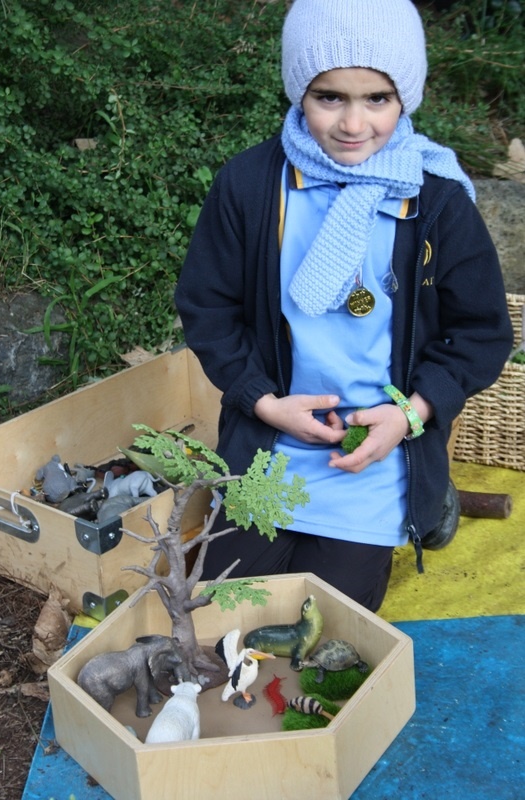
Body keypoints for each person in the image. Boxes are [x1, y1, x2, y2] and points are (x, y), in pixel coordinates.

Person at [175, 0, 513, 612]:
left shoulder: (435, 199)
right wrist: (263, 400)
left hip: (375, 455)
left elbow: (481, 333)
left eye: (377, 99)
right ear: (298, 91)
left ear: (405, 97)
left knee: (324, 631)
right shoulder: (251, 186)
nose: (354, 124)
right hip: (270, 443)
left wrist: (410, 416)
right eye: (330, 97)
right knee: (224, 614)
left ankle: (424, 496)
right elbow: (208, 308)